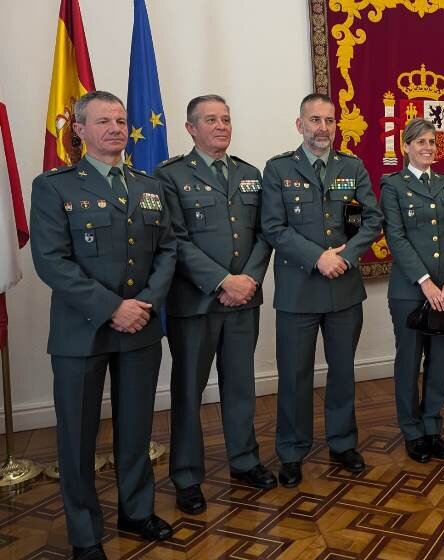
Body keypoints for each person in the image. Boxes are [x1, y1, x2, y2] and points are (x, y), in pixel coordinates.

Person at [30, 91, 176, 560]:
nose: (115, 128)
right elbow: (51, 261)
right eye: (103, 121)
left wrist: (146, 304)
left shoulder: (147, 185)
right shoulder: (54, 186)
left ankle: (136, 511)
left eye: (120, 120)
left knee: (135, 429)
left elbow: (167, 250)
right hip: (82, 332)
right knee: (77, 437)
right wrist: (114, 307)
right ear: (79, 129)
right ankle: (84, 533)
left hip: (141, 328)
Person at [156, 94, 276, 515]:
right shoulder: (170, 176)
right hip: (196, 302)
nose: (222, 126)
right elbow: (174, 240)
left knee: (241, 384)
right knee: (189, 391)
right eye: (211, 120)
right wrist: (223, 280)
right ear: (191, 129)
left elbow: (265, 233)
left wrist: (249, 280)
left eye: (226, 118)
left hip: (244, 300)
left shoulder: (249, 173)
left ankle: (244, 461)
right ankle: (187, 477)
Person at [260, 93, 384, 486]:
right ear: (300, 125)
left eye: (329, 121)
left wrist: (345, 256)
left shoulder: (352, 167)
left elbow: (370, 219)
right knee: (295, 375)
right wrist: (318, 258)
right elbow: (274, 227)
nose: (322, 128)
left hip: (344, 290)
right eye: (315, 120)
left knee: (343, 372)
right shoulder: (278, 169)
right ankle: (292, 451)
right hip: (299, 291)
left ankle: (343, 442)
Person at [380, 118, 444, 463]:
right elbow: (396, 238)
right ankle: (412, 431)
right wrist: (426, 282)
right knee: (409, 361)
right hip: (410, 292)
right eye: (420, 142)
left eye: (432, 142)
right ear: (405, 146)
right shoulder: (393, 186)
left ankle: (432, 426)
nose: (428, 148)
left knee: (439, 361)